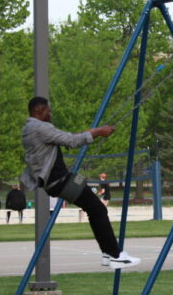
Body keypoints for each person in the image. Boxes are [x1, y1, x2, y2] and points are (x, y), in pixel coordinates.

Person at [20, 96, 139, 270]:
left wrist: (90, 132)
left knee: (94, 206)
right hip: (60, 181)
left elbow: (66, 137)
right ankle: (114, 255)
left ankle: (108, 253)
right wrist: (98, 132)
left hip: (61, 179)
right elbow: (72, 141)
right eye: (48, 110)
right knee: (97, 209)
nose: (50, 113)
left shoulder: (32, 128)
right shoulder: (40, 127)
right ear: (39, 111)